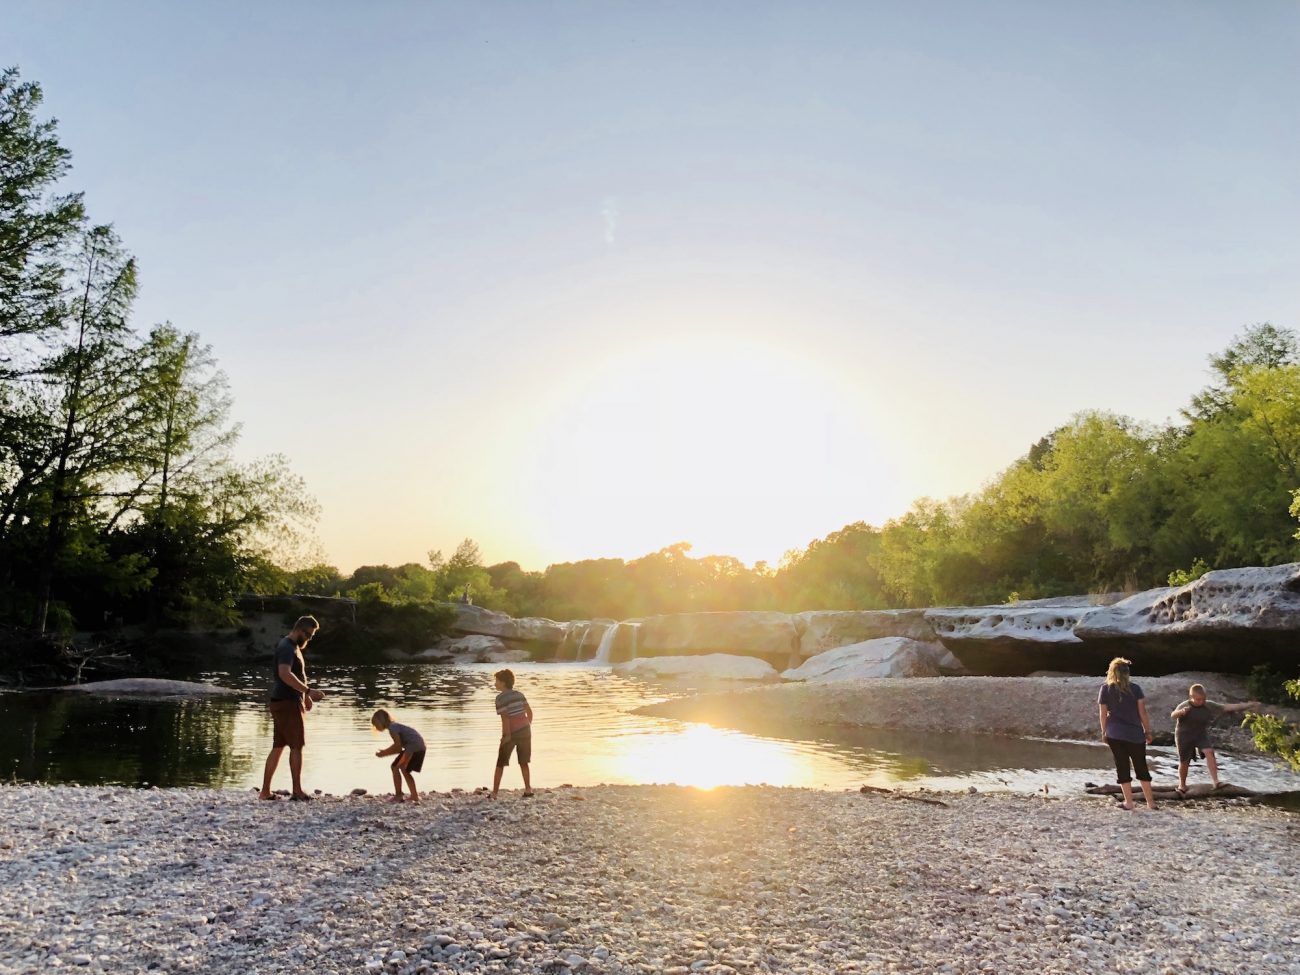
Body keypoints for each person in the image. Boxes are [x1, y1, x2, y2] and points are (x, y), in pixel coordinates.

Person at [258, 616, 325, 801]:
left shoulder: (290, 647)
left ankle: (265, 792)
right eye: (309, 635)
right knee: (297, 746)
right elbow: (285, 674)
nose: (310, 639)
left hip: (282, 701)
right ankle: (297, 791)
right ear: (300, 630)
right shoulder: (287, 647)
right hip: (287, 703)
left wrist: (304, 696)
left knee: (278, 746)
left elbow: (295, 675)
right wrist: (308, 691)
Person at [1171, 684, 1260, 793]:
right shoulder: (1185, 705)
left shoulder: (1208, 705)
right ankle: (1182, 785)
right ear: (1191, 698)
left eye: (1203, 699)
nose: (1201, 701)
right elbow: (1173, 715)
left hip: (1200, 734)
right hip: (1184, 735)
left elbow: (1227, 707)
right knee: (1184, 762)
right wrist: (1181, 712)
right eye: (1198, 699)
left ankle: (1216, 782)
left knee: (1209, 752)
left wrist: (1249, 705)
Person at [1097, 656, 1156, 811]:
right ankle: (1151, 803)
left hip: (1114, 734)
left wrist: (1104, 731)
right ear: (1127, 673)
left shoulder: (1105, 689)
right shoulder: (1136, 689)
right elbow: (1142, 712)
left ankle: (1129, 803)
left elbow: (1103, 714)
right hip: (1135, 734)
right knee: (1141, 766)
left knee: (1122, 767)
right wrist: (1147, 731)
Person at [491, 668, 534, 799]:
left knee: (500, 763)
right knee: (524, 761)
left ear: (503, 683)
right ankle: (528, 789)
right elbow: (530, 712)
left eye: (497, 681)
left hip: (511, 733)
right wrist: (526, 726)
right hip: (525, 730)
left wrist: (506, 736)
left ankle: (494, 793)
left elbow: (505, 719)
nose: (495, 684)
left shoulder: (500, 699)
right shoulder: (520, 695)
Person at [371, 709, 427, 803]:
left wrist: (383, 753)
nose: (375, 727)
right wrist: (385, 752)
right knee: (400, 768)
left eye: (375, 724)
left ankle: (400, 795)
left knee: (398, 767)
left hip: (414, 747)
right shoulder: (394, 726)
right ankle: (413, 796)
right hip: (419, 746)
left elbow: (397, 748)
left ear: (381, 721)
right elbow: (399, 748)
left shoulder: (393, 728)